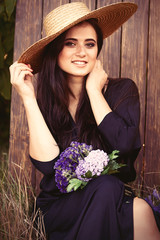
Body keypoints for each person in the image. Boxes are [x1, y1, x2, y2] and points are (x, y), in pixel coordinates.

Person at [10, 2, 160, 240]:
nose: (82, 52)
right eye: (71, 43)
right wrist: (28, 98)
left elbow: (126, 145)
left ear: (98, 49)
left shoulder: (122, 90)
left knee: (139, 210)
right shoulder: (47, 101)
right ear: (55, 50)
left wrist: (94, 91)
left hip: (111, 198)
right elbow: (49, 165)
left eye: (89, 44)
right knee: (112, 191)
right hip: (61, 208)